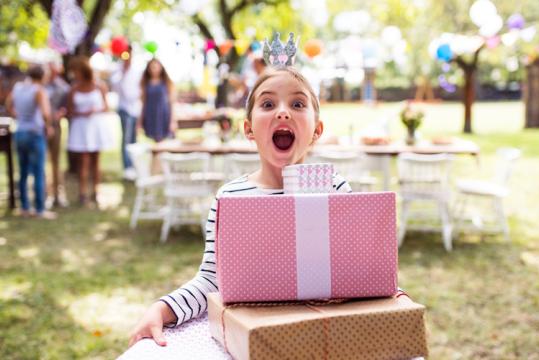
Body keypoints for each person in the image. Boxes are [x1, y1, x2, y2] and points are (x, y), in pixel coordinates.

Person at [126, 66, 357, 352]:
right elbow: (211, 281)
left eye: (297, 104)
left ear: (316, 131)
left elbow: (353, 272)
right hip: (253, 335)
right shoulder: (230, 198)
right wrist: (161, 310)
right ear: (248, 129)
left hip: (322, 335)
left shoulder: (333, 189)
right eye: (268, 104)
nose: (282, 112)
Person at [5, 65, 55, 219]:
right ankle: (40, 209)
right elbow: (46, 113)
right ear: (42, 76)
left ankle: (25, 207)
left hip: (20, 132)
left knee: (23, 172)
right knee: (38, 171)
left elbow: (8, 104)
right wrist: (48, 126)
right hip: (34, 133)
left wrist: (18, 115)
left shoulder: (19, 87)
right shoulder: (39, 90)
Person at [67, 57, 113, 206]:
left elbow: (106, 108)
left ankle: (96, 191)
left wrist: (95, 110)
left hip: (95, 126)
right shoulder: (74, 88)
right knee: (84, 161)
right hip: (81, 127)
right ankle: (82, 193)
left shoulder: (99, 86)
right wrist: (81, 113)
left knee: (96, 161)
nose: (75, 75)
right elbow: (70, 110)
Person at [111, 46, 141, 180]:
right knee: (126, 139)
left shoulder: (136, 71)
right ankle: (127, 168)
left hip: (135, 109)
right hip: (124, 109)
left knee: (134, 140)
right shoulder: (118, 71)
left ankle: (134, 166)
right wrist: (122, 73)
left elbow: (138, 92)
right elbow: (115, 88)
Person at [45, 62, 70, 207]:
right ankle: (46, 194)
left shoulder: (63, 87)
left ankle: (58, 194)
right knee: (43, 161)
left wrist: (60, 113)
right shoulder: (40, 85)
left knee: (55, 161)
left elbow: (67, 106)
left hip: (55, 125)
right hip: (41, 125)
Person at [139, 59, 176, 142]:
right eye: (152, 67)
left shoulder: (167, 82)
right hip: (150, 114)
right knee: (154, 140)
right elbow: (143, 102)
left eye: (156, 67)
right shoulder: (145, 83)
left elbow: (172, 102)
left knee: (163, 140)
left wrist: (173, 121)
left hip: (163, 114)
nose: (154, 69)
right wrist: (140, 121)